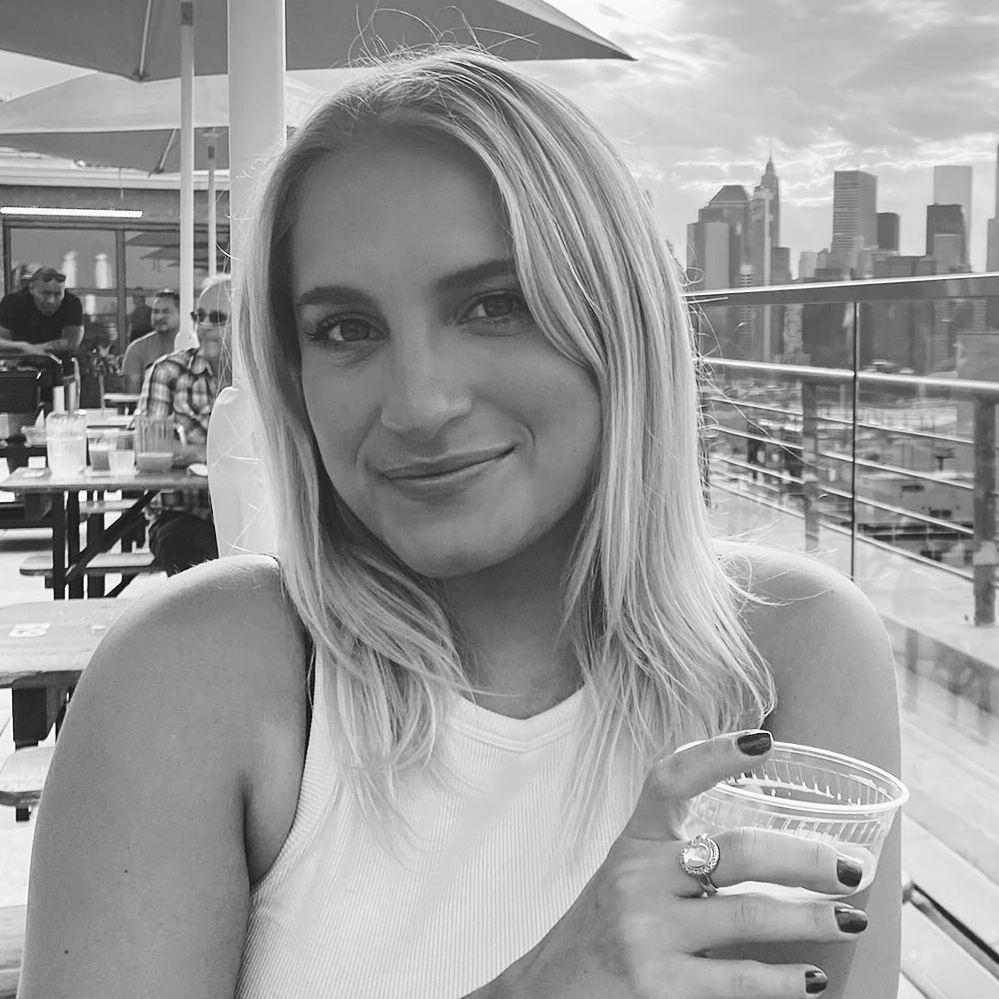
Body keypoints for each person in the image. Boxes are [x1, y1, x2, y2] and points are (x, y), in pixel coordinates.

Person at [19, 50, 902, 999]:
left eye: (493, 305)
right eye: (346, 329)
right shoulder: (197, 673)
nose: (419, 403)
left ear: (620, 320)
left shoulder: (790, 649)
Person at [131, 278, 230, 575]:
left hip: (252, 511)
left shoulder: (268, 377)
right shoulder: (168, 371)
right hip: (183, 512)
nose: (204, 326)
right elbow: (149, 446)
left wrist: (186, 450)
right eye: (199, 316)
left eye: (217, 317)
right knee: (192, 546)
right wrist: (214, 454)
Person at [0, 265, 84, 355]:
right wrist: (23, 347)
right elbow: (2, 341)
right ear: (31, 289)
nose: (51, 301)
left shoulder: (72, 303)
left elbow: (71, 343)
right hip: (18, 359)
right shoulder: (12, 302)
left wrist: (36, 349)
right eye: (45, 293)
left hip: (60, 360)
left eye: (57, 294)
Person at [121, 289, 182, 393]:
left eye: (166, 311)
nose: (159, 317)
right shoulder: (137, 349)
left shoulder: (195, 345)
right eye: (155, 312)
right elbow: (132, 395)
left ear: (181, 313)